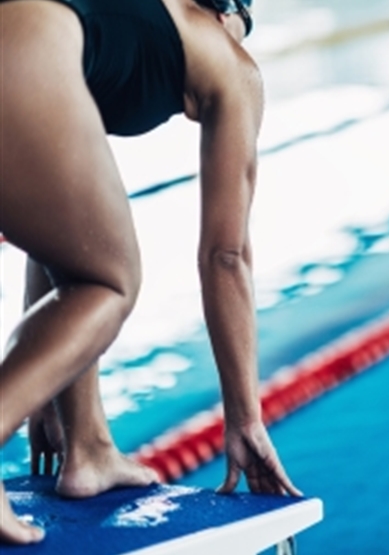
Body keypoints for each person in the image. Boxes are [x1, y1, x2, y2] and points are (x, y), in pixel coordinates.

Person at [0, 0, 301, 544]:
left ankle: (89, 449)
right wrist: (245, 418)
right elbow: (225, 256)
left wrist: (46, 386)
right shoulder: (228, 60)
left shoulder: (122, 28)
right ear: (228, 14)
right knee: (113, 280)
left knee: (88, 267)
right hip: (19, 54)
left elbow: (59, 240)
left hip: (18, 46)